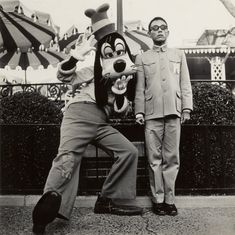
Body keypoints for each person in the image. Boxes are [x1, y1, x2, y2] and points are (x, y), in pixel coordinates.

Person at [32, 4, 142, 234]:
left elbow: (122, 110)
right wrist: (74, 57)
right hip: (80, 114)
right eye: (110, 53)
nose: (115, 57)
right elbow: (65, 77)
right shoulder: (94, 71)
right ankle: (45, 212)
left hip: (101, 123)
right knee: (67, 157)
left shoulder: (124, 76)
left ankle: (107, 200)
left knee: (128, 152)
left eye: (119, 52)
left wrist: (121, 93)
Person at [134, 17, 193, 216]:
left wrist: (186, 109)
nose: (159, 31)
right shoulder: (142, 58)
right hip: (151, 113)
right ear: (150, 33)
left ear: (168, 32)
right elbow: (140, 87)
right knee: (154, 159)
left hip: (174, 111)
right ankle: (158, 199)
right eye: (155, 28)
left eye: (163, 28)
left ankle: (170, 200)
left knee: (172, 157)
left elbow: (185, 83)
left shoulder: (179, 55)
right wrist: (139, 111)